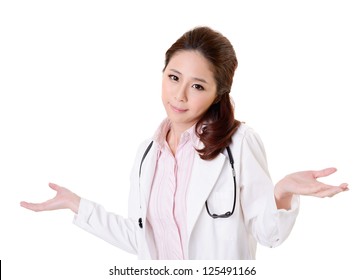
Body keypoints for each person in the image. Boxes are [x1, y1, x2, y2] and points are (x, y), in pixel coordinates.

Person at [20, 26, 348, 260]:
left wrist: (282, 192)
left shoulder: (240, 144)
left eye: (197, 86)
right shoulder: (148, 154)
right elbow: (141, 239)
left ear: (217, 94)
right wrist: (76, 205)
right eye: (174, 78)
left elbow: (268, 235)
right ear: (163, 74)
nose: (179, 95)